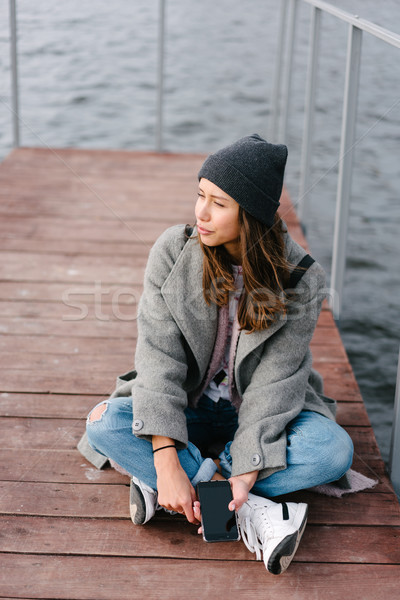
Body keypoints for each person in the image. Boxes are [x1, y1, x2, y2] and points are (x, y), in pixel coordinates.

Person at [79, 134, 354, 575]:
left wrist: (242, 473)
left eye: (218, 203)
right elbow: (158, 359)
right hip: (187, 408)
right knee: (102, 422)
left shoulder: (301, 278)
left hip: (259, 414)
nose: (201, 213)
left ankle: (168, 492)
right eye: (199, 195)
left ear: (251, 215)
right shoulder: (173, 250)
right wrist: (166, 454)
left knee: (332, 451)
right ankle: (252, 511)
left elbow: (276, 386)